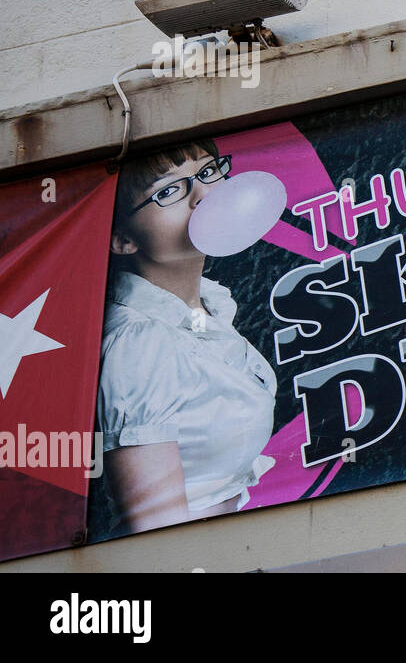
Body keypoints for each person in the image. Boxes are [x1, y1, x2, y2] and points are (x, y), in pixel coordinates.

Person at [97, 139, 276, 534]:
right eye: (168, 190)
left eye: (208, 172)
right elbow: (155, 532)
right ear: (122, 240)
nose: (203, 197)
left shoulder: (208, 308)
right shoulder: (139, 345)